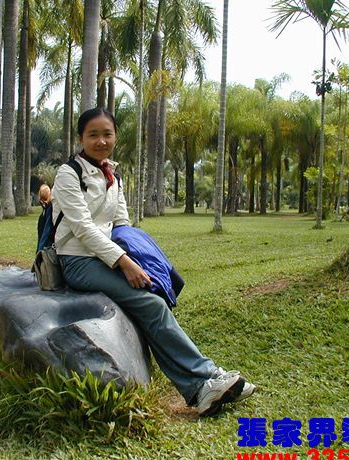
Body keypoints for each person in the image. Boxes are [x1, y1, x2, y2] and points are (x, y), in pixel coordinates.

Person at [52, 108, 256, 416]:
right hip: (78, 260)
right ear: (80, 138)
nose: (101, 141)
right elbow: (82, 228)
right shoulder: (69, 174)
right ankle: (203, 382)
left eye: (107, 134)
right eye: (93, 135)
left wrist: (140, 258)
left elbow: (121, 223)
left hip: (106, 256)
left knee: (155, 292)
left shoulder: (112, 175)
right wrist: (124, 263)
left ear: (115, 137)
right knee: (150, 303)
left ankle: (202, 381)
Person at [36, 184, 53, 253]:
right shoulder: (48, 210)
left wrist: (39, 250)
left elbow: (45, 233)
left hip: (46, 246)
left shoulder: (47, 211)